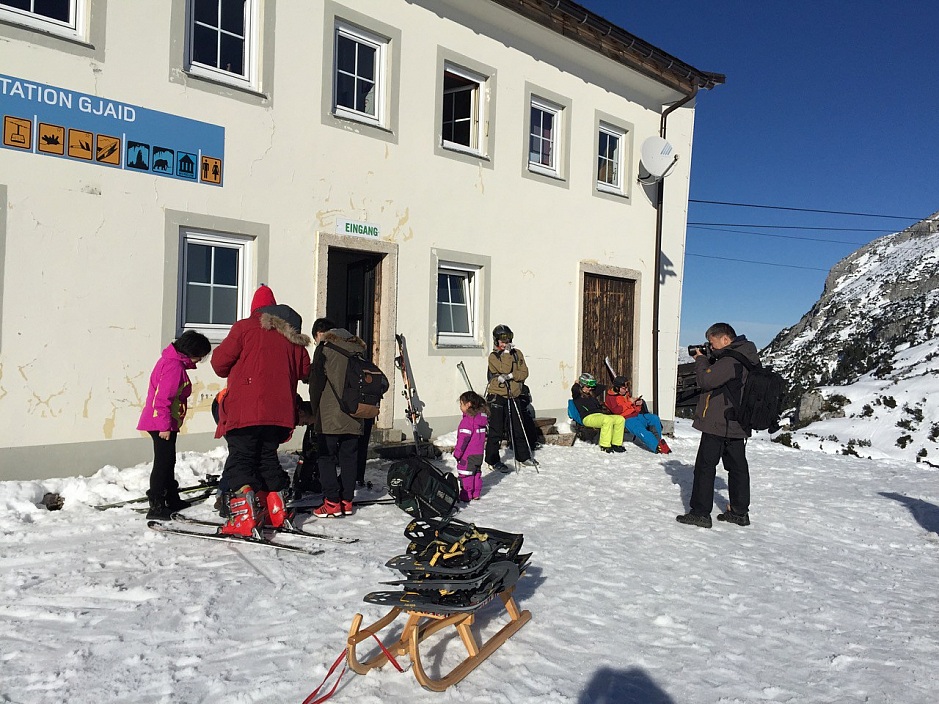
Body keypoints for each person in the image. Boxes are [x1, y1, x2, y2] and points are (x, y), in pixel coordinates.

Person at [212, 284, 311, 536]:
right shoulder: (292, 335)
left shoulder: (244, 327)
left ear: (255, 309)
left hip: (246, 410)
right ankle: (276, 510)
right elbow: (304, 371)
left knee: (241, 459)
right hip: (280, 413)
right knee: (267, 457)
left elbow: (219, 364)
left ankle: (244, 518)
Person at [676, 322, 759, 529]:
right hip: (737, 422)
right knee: (738, 467)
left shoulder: (730, 360)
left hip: (719, 422)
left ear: (725, 339)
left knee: (705, 467)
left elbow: (706, 380)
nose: (711, 348)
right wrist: (712, 357)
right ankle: (740, 512)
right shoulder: (745, 356)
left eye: (713, 343)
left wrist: (701, 359)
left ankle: (701, 513)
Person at [137, 330, 212, 519]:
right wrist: (164, 426)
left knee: (169, 461)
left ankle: (171, 497)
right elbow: (163, 398)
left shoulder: (171, 361)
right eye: (200, 357)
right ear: (191, 352)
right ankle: (156, 505)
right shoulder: (174, 367)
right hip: (161, 423)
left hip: (163, 421)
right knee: (162, 463)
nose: (199, 361)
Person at [309, 323, 368, 518]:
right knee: (349, 457)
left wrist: (315, 410)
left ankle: (332, 502)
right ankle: (346, 501)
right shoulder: (358, 349)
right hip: (354, 412)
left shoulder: (325, 348)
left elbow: (316, 383)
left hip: (329, 414)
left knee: (326, 457)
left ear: (320, 334)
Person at [484, 324, 539, 471]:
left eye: (508, 340)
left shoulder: (517, 353)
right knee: (496, 430)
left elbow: (524, 373)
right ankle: (492, 460)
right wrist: (506, 355)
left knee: (518, 427)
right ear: (496, 341)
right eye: (502, 341)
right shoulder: (493, 356)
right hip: (498, 395)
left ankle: (523, 456)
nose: (505, 343)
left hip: (514, 394)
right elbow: (504, 368)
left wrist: (512, 376)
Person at [605, 376, 671, 454]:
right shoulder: (611, 398)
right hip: (626, 419)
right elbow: (617, 411)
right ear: (616, 388)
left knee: (654, 418)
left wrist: (637, 404)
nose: (626, 390)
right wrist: (630, 402)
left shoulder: (625, 394)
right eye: (624, 388)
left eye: (626, 388)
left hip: (636, 415)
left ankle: (659, 442)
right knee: (640, 429)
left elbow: (632, 407)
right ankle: (656, 446)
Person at [570, 373, 626, 453]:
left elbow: (602, 387)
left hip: (599, 415)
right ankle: (605, 445)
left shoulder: (592, 394)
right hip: (587, 417)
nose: (590, 388)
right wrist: (577, 383)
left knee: (620, 419)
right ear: (581, 386)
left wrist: (591, 382)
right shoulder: (577, 394)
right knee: (607, 420)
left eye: (591, 387)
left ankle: (616, 444)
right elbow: (574, 389)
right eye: (587, 386)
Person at [453, 391, 489, 501]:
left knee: (466, 474)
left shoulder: (468, 421)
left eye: (461, 404)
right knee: (476, 473)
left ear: (468, 404)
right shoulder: (481, 419)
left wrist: (458, 453)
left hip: (467, 454)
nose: (460, 407)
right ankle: (476, 493)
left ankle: (466, 494)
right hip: (479, 454)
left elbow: (463, 440)